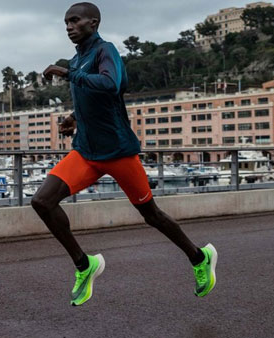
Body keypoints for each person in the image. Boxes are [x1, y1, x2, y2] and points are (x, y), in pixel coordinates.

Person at [32, 2, 218, 306]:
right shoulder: (77, 59)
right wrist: (74, 119)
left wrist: (67, 74)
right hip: (86, 153)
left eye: (75, 20)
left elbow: (110, 84)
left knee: (152, 215)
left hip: (119, 152)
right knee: (42, 201)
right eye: (65, 22)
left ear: (93, 23)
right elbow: (93, 101)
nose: (68, 26)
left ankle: (199, 258)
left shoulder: (106, 51)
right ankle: (84, 264)